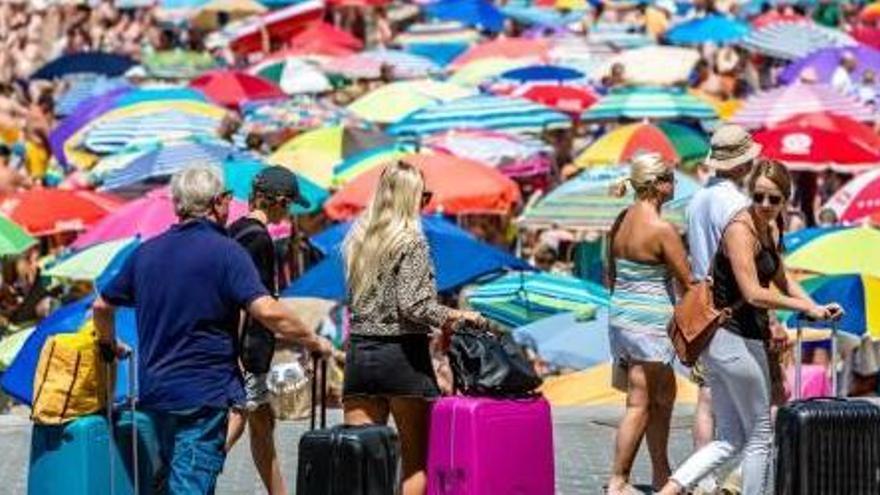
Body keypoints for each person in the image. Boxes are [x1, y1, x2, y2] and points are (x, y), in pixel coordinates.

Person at [93, 165, 333, 495]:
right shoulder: (227, 252)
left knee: (171, 481)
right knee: (189, 486)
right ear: (220, 202)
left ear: (177, 205)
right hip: (203, 394)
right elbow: (265, 310)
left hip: (155, 392)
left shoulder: (146, 253)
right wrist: (313, 339)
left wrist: (109, 345)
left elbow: (102, 306)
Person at [659, 160, 843, 495]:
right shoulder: (740, 229)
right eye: (759, 197)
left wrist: (817, 306)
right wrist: (807, 308)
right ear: (750, 193)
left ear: (786, 199)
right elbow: (754, 293)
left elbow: (782, 279)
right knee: (760, 436)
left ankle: (668, 492)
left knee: (730, 437)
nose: (765, 205)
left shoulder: (772, 228)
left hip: (736, 338)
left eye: (774, 199)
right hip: (730, 336)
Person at [341, 160, 483, 495]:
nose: (426, 203)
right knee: (415, 461)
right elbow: (414, 305)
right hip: (402, 356)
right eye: (424, 196)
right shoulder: (412, 242)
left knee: (361, 464)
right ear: (410, 197)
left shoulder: (358, 241)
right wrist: (459, 317)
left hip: (361, 355)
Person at [605, 153, 691, 494]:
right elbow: (687, 280)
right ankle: (618, 480)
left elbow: (611, 273)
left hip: (623, 316)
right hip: (650, 321)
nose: (676, 181)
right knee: (640, 402)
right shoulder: (661, 229)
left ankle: (661, 472)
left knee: (664, 394)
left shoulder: (622, 219)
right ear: (656, 185)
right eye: (670, 176)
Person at [224, 166, 310, 495]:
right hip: (250, 350)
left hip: (245, 346)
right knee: (241, 418)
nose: (288, 214)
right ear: (278, 202)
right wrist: (237, 355)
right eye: (288, 206)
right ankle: (187, 482)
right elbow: (247, 302)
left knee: (262, 425)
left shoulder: (234, 231)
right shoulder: (260, 240)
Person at [684, 125, 760, 490]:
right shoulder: (735, 204)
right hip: (733, 311)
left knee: (715, 410)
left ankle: (692, 484)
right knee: (759, 427)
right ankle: (738, 482)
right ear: (744, 164)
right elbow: (744, 270)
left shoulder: (697, 200)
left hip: (703, 311)